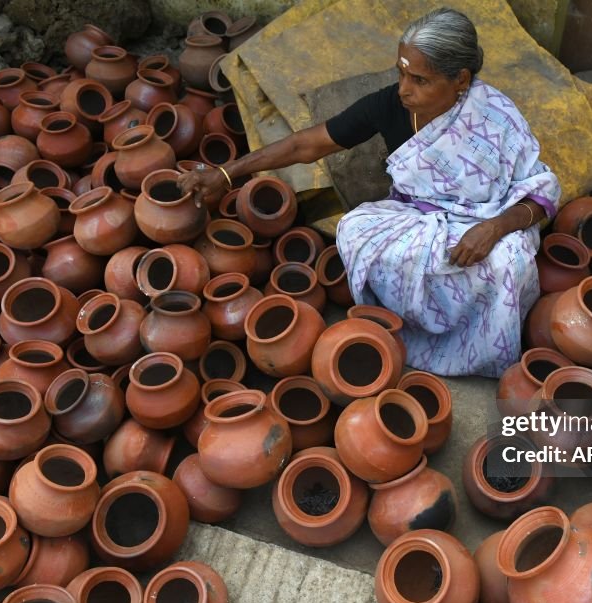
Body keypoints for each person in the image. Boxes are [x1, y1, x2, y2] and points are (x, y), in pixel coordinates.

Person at [179, 7, 560, 377]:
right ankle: (400, 329)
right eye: (401, 74)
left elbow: (540, 191)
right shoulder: (389, 104)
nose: (404, 90)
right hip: (416, 216)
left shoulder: (496, 115)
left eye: (420, 81)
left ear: (460, 79)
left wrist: (493, 229)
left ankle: (475, 353)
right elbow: (306, 145)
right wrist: (227, 173)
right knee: (354, 228)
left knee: (511, 261)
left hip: (486, 220)